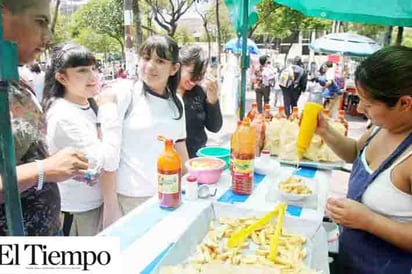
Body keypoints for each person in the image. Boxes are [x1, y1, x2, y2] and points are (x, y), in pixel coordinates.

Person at [317, 46, 412, 273]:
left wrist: (369, 220)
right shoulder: (382, 127)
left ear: (405, 103)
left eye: (368, 105)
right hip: (351, 257)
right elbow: (354, 153)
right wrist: (325, 131)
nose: (359, 108)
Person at [0, 0, 89, 236]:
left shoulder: (15, 81)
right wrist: (44, 170)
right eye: (40, 22)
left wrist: (60, 168)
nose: (48, 36)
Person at [100, 35, 189, 216]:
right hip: (130, 198)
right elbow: (107, 154)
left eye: (160, 61)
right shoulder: (126, 93)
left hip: (169, 194)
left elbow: (180, 147)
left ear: (174, 68)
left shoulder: (177, 103)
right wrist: (110, 207)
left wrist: (189, 182)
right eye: (146, 58)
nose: (150, 66)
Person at [42, 42, 121, 235]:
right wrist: (109, 110)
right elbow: (107, 161)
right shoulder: (62, 115)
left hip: (96, 203)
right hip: (79, 211)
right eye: (82, 71)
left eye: (94, 68)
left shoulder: (86, 102)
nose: (93, 76)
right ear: (62, 77)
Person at [178, 45, 223, 158]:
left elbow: (214, 127)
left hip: (197, 158)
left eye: (200, 76)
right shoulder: (164, 92)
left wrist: (212, 100)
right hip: (171, 160)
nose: (194, 81)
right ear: (178, 67)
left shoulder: (199, 92)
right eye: (192, 73)